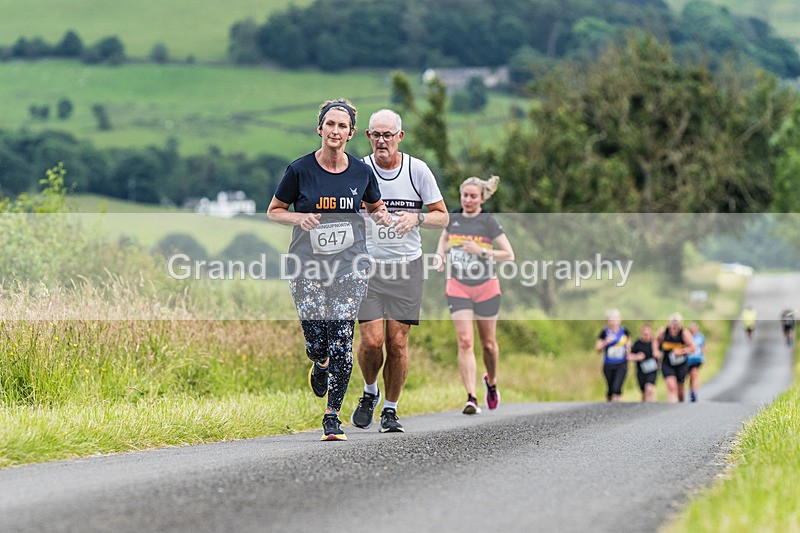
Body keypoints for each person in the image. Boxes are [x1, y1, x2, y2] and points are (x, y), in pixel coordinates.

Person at [267, 98, 392, 441]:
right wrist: (298, 217)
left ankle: (332, 416)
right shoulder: (299, 170)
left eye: (342, 126)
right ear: (319, 128)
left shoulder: (361, 172)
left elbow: (375, 205)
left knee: (341, 339)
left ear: (351, 133)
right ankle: (318, 363)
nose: (335, 131)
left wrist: (386, 218)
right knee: (316, 342)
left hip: (350, 265)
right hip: (306, 264)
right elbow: (274, 210)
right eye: (330, 124)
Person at [351, 109, 449, 433]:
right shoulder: (360, 170)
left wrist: (417, 218)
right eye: (375, 135)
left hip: (407, 266)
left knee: (397, 343)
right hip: (367, 266)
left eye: (387, 135)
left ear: (400, 137)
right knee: (371, 340)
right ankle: (369, 392)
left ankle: (390, 410)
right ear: (368, 137)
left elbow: (443, 216)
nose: (382, 141)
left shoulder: (417, 171)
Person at [435, 176, 515, 414]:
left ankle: (491, 383)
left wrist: (481, 251)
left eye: (473, 196)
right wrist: (440, 255)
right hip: (458, 286)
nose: (467, 200)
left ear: (482, 198)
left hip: (486, 288)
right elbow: (444, 239)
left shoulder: (488, 221)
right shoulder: (454, 218)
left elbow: (509, 254)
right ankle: (471, 397)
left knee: (488, 345)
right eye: (464, 195)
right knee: (465, 341)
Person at [655, 313, 695, 403]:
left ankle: (680, 404)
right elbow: (656, 340)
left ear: (680, 324)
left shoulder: (684, 333)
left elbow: (693, 347)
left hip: (681, 364)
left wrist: (681, 351)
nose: (674, 326)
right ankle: (671, 407)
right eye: (673, 323)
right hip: (667, 363)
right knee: (671, 386)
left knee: (680, 388)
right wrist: (656, 351)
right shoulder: (664, 331)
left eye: (677, 324)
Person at [594, 309, 631, 402]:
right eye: (610, 320)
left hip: (621, 363)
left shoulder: (624, 331)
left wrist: (628, 350)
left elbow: (628, 344)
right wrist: (604, 343)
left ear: (619, 320)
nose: (612, 322)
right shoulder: (604, 332)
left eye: (614, 319)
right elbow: (597, 348)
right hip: (609, 364)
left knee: (617, 387)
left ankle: (618, 407)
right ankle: (610, 406)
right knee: (611, 389)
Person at [629, 323, 660, 403]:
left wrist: (657, 354)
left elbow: (662, 354)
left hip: (653, 370)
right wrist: (637, 357)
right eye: (644, 334)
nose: (646, 335)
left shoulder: (655, 343)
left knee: (649, 388)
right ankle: (644, 409)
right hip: (641, 371)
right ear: (641, 333)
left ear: (651, 333)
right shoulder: (637, 343)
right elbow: (629, 356)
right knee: (643, 393)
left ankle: (653, 407)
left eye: (648, 334)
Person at [686, 322, 706, 402]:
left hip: (697, 359)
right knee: (690, 377)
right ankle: (691, 391)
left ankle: (694, 393)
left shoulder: (700, 336)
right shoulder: (687, 336)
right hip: (688, 360)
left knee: (694, 374)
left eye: (694, 328)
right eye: (691, 328)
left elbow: (704, 346)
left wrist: (703, 353)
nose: (693, 330)